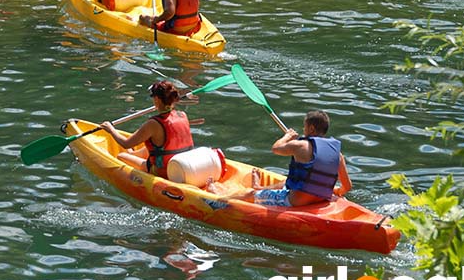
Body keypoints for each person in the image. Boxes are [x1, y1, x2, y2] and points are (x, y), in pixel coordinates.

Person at [207, 110, 352, 207]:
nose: (304, 130)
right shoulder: (337, 155)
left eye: (305, 127)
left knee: (251, 194)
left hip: (294, 201)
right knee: (284, 181)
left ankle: (219, 196)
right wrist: (337, 191)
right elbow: (347, 187)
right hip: (320, 199)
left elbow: (276, 148)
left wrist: (287, 136)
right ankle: (260, 188)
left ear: (312, 129)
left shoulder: (300, 146)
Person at [98, 81, 194, 179]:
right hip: (183, 165)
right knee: (148, 148)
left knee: (121, 156)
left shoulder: (153, 123)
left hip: (164, 171)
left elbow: (126, 144)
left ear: (157, 99)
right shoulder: (182, 115)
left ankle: (134, 162)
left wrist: (110, 129)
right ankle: (132, 154)